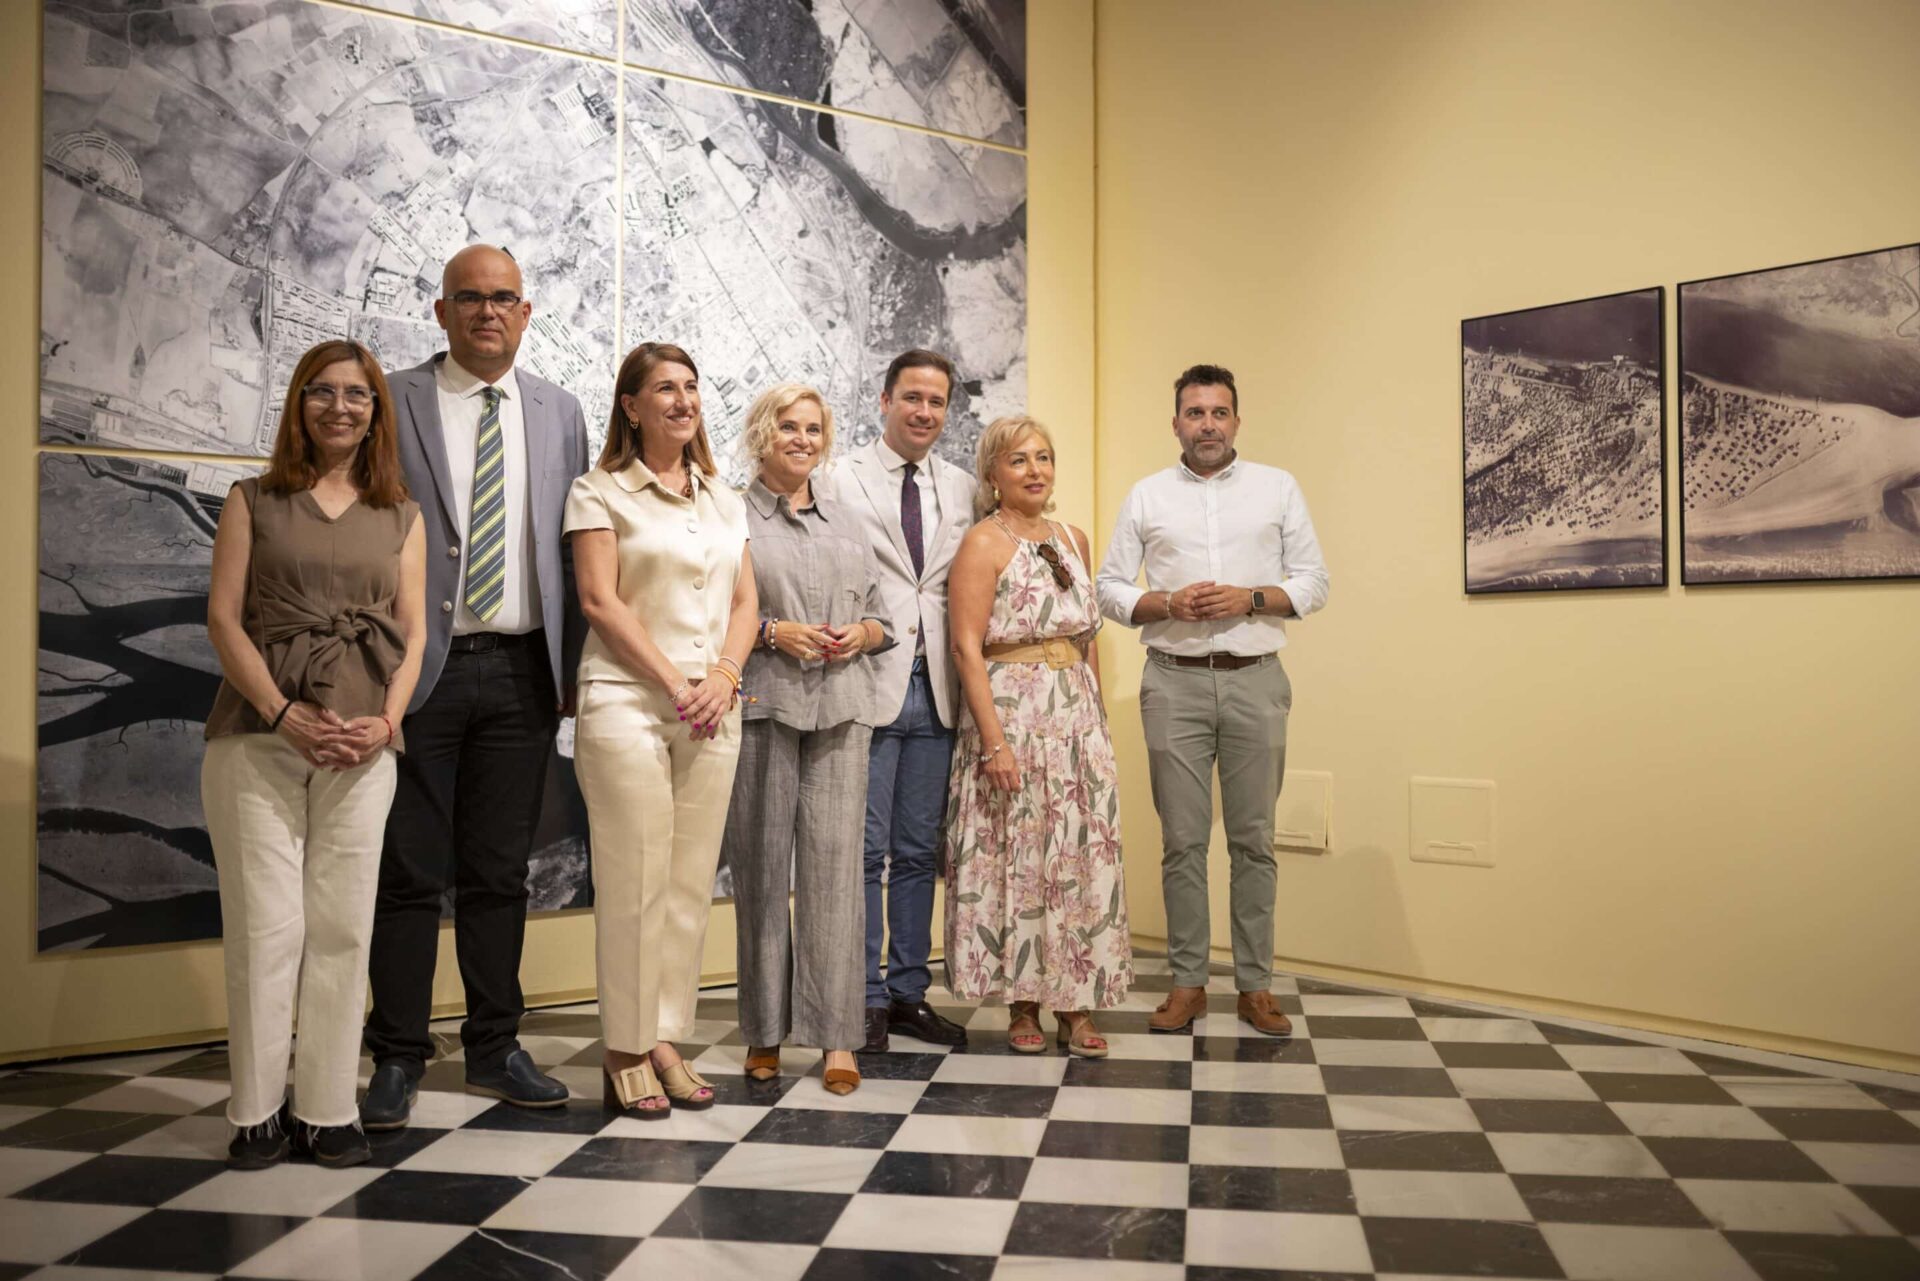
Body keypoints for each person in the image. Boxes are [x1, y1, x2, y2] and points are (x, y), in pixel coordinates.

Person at [361, 246, 589, 1129]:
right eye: (470, 299)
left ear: (525, 313)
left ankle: (496, 1045)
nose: (487, 312)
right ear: (441, 309)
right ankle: (399, 1055)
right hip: (421, 669)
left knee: (501, 871)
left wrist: (570, 671)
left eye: (503, 299)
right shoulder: (394, 397)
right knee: (409, 872)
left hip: (525, 669)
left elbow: (574, 546)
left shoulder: (559, 410)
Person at [203, 339, 425, 1169]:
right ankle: (256, 1109)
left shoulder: (400, 512)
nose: (341, 407)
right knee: (268, 928)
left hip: (364, 749)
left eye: (358, 395)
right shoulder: (253, 498)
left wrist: (386, 720)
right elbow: (225, 619)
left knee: (341, 928)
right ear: (298, 403)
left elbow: (416, 628)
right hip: (257, 741)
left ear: (376, 412)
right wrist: (282, 711)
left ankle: (328, 1106)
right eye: (323, 393)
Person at [1096, 364, 1330, 1037]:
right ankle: (1188, 982)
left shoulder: (1276, 488)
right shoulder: (1146, 495)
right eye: (1194, 413)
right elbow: (1109, 586)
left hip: (1257, 676)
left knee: (1255, 839)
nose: (1207, 424)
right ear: (1176, 423)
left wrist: (1250, 597)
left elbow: (1315, 582)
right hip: (1173, 678)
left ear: (1236, 420)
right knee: (1182, 841)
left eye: (1218, 412)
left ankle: (1255, 986)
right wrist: (1164, 602)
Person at [567, 342, 757, 1115]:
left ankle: (665, 1035)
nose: (681, 400)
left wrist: (723, 677)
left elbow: (747, 602)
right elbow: (599, 601)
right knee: (634, 878)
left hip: (712, 706)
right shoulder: (599, 490)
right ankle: (624, 1044)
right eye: (663, 389)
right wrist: (677, 681)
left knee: (686, 883)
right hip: (627, 701)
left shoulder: (724, 496)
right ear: (631, 406)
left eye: (690, 387)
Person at [721, 384, 892, 1095]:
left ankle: (835, 1038)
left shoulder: (849, 519)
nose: (802, 438)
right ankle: (763, 1031)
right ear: (763, 433)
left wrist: (863, 634)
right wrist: (769, 631)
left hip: (842, 712)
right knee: (760, 873)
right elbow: (710, 610)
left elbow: (883, 617)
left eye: (813, 428)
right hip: (763, 705)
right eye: (788, 426)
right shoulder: (730, 515)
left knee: (834, 877)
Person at [944, 416, 1132, 1055]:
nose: (1035, 470)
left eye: (1044, 457)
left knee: (1077, 857)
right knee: (1020, 856)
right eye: (1019, 460)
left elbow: (1087, 638)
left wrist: (1099, 721)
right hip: (1013, 716)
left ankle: (1076, 1004)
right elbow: (967, 646)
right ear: (994, 473)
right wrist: (993, 743)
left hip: (1075, 716)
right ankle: (1023, 1004)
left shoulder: (1073, 537)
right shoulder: (982, 542)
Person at [825, 349, 979, 1052]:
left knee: (920, 852)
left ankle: (910, 992)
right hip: (868, 682)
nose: (924, 412)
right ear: (884, 400)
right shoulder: (840, 477)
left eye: (937, 402)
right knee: (864, 851)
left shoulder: (964, 485)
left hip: (939, 690)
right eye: (912, 397)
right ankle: (861, 1001)